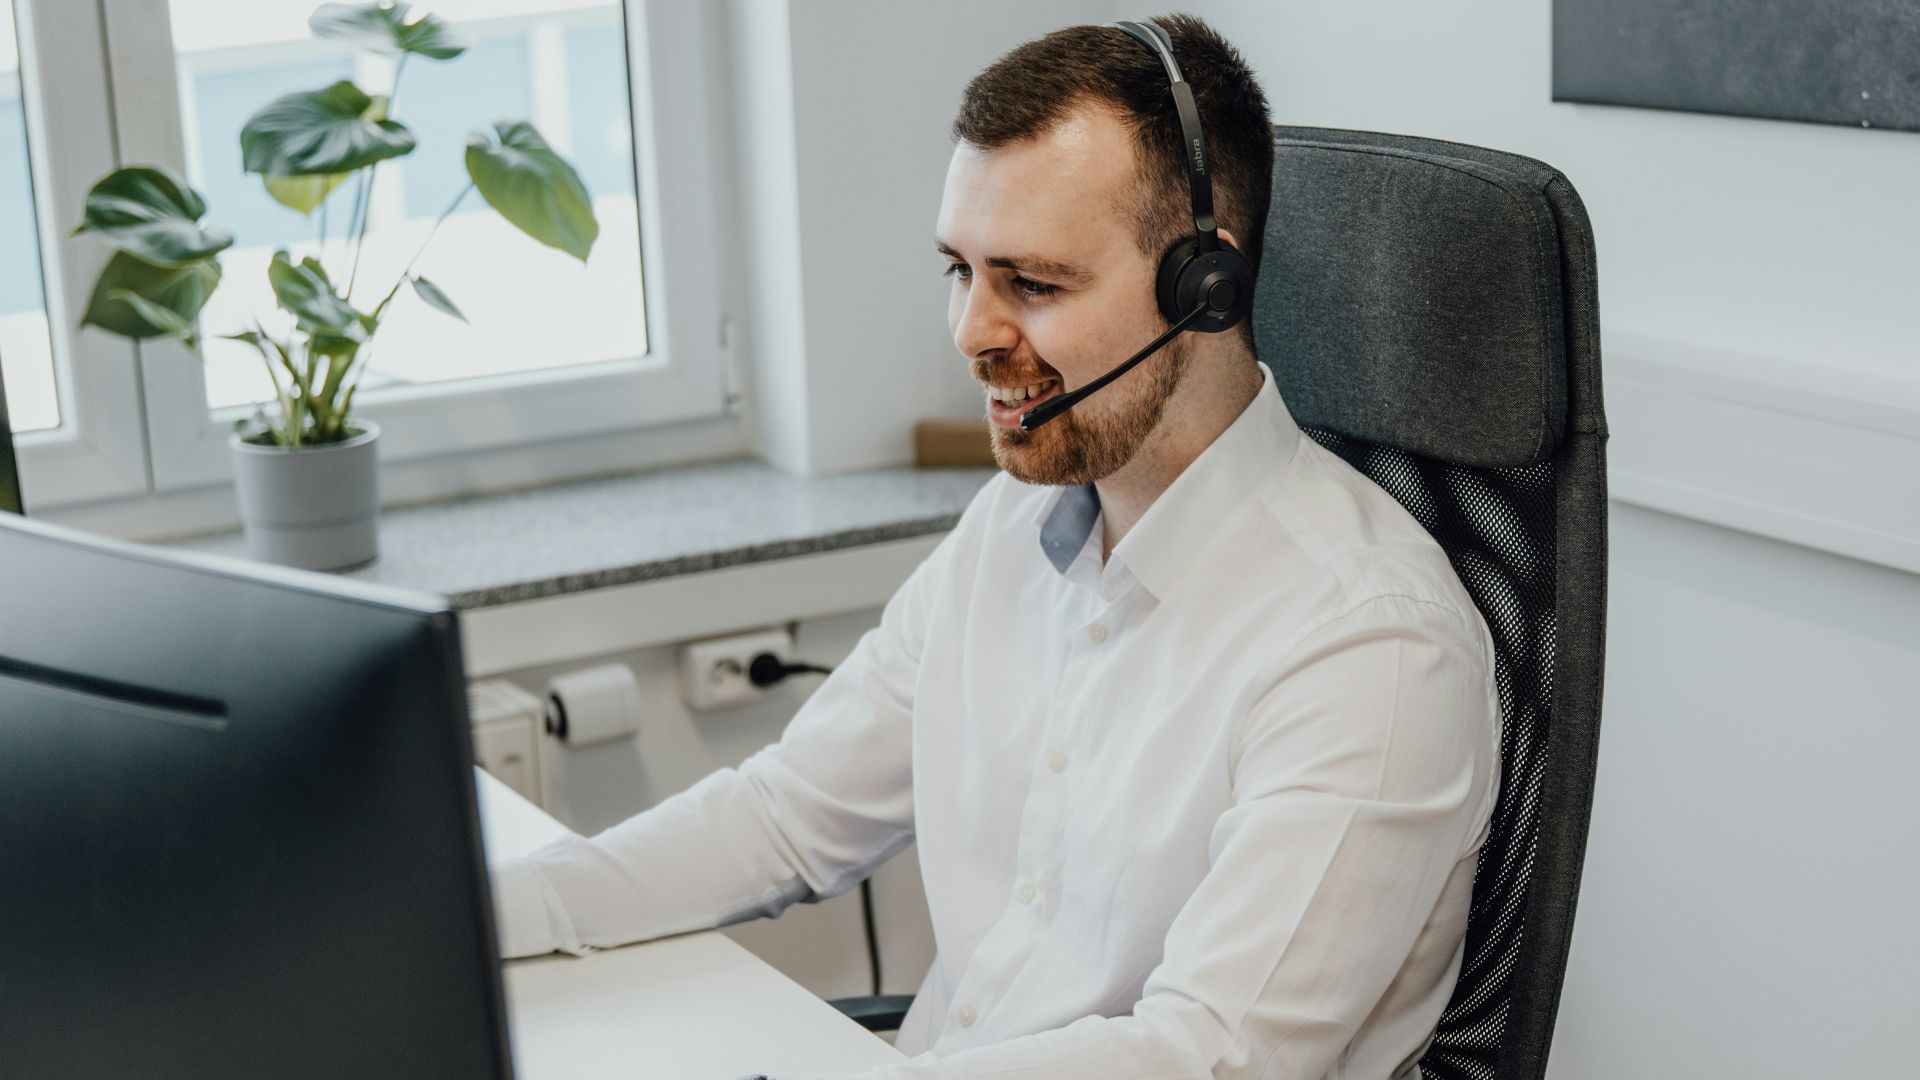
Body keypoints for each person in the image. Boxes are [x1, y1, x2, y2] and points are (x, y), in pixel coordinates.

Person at [489, 14, 1501, 1080]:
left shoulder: (1370, 645)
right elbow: (786, 816)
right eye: (959, 270)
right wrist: (490, 911)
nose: (972, 332)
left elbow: (1209, 1057)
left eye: (1034, 283)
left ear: (1207, 288)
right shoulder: (1013, 527)